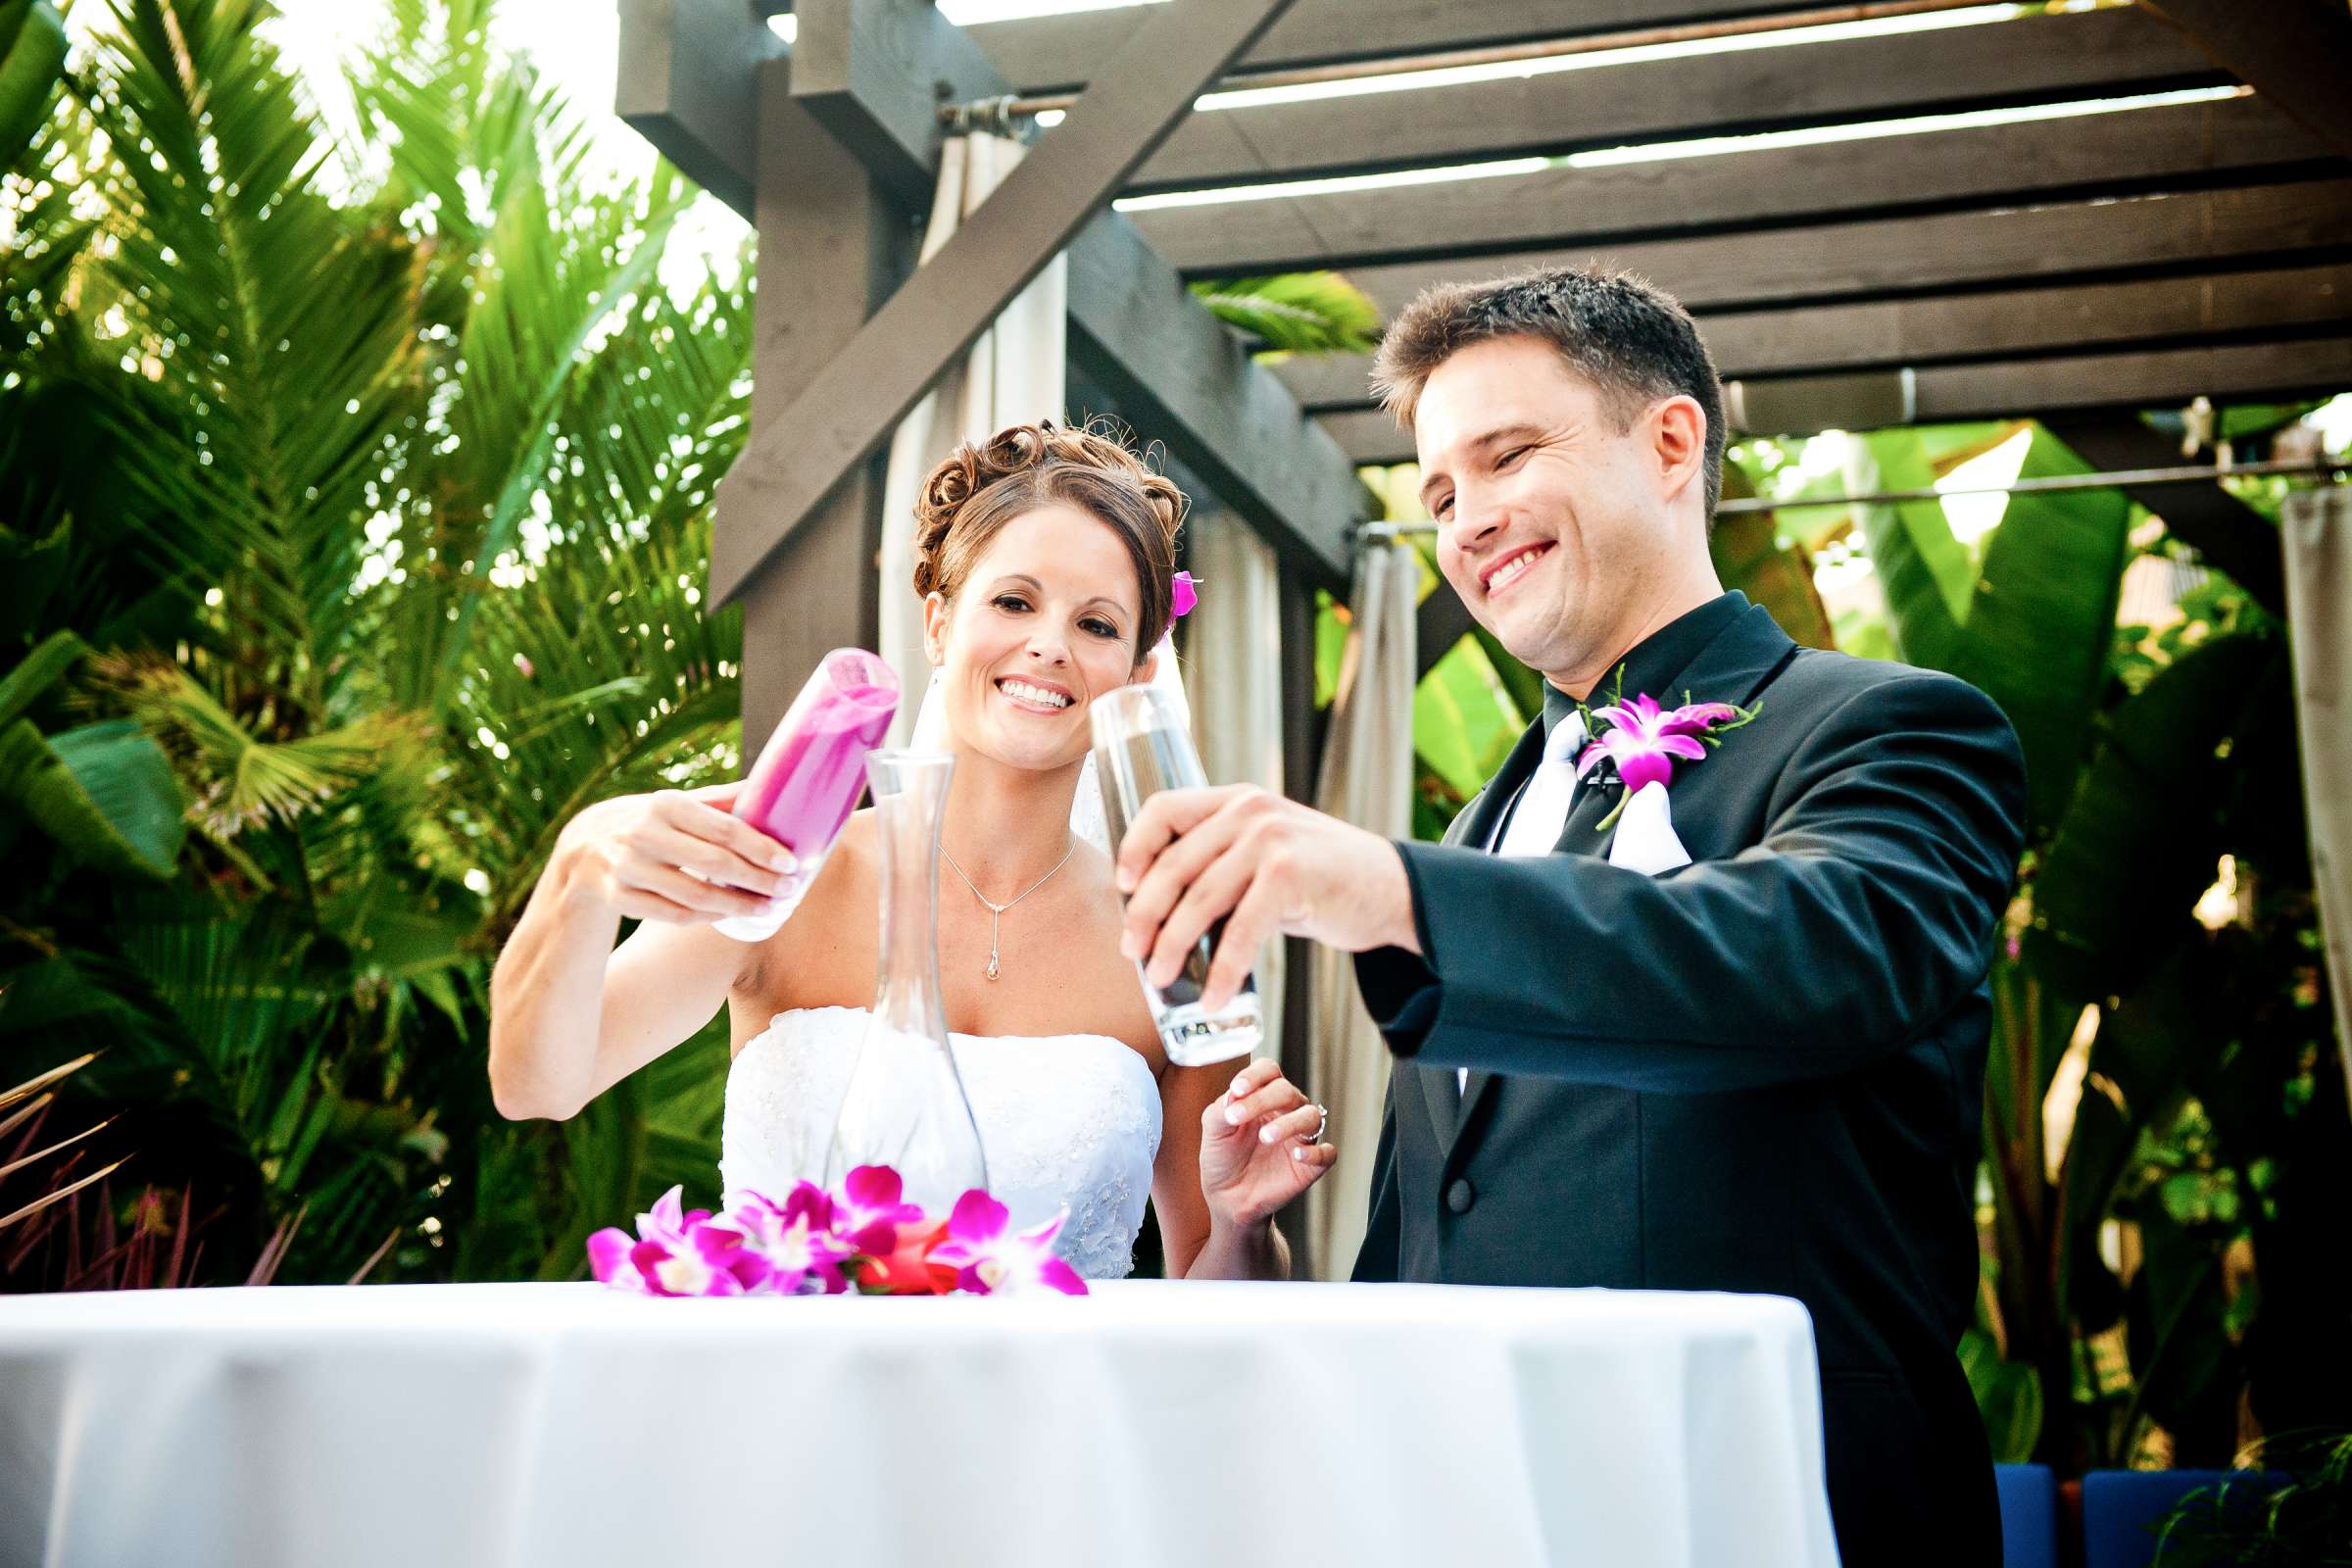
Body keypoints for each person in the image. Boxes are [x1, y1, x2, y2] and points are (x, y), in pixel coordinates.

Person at [1111, 269, 2027, 1562]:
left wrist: (1384, 885)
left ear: (1670, 443)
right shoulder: (1479, 829)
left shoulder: (1892, 730)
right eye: (1439, 494)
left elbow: (1810, 953)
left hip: (1767, 1504)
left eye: (1507, 457)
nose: (1470, 519)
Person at [488, 420, 1334, 1281]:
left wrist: (1240, 1227)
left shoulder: (1177, 937)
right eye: (1013, 602)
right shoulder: (787, 872)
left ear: (1141, 672)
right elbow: (537, 1087)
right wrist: (576, 871)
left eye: (1097, 624)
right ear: (937, 623)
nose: (1048, 645)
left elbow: (1212, 1296)